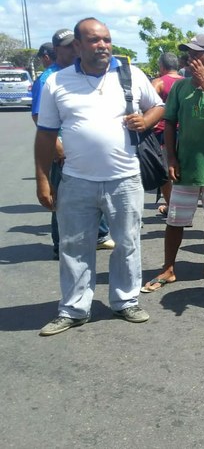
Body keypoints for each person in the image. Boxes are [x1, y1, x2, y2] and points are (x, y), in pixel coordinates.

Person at [35, 17, 164, 336]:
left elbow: (159, 106)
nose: (103, 45)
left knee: (127, 243)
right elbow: (46, 134)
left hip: (125, 179)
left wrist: (145, 121)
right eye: (94, 40)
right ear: (78, 46)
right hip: (76, 180)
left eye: (106, 39)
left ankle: (125, 301)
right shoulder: (57, 82)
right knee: (74, 246)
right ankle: (74, 309)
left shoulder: (130, 74)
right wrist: (42, 179)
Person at [141, 34, 204, 292]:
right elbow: (169, 122)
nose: (191, 58)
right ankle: (168, 268)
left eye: (197, 53)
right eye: (189, 53)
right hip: (186, 166)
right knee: (175, 218)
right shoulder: (180, 88)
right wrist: (171, 158)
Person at [33, 29, 114, 260]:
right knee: (63, 199)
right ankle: (62, 245)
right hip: (62, 149)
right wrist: (57, 146)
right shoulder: (48, 78)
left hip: (84, 152)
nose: (74, 49)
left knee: (91, 193)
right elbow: (38, 117)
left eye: (75, 44)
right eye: (68, 46)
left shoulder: (80, 72)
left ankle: (98, 236)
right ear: (57, 50)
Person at [150, 52, 183, 216]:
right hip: (184, 131)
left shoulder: (159, 82)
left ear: (162, 66)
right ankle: (182, 206)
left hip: (162, 132)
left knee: (163, 171)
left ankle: (173, 207)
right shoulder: (186, 82)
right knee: (181, 169)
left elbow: (147, 104)